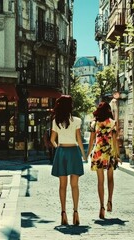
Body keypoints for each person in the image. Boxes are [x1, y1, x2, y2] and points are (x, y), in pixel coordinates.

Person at [50, 95, 86, 226]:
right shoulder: (77, 120)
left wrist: (58, 149)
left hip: (61, 151)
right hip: (74, 152)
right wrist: (84, 154)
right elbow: (79, 139)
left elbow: (52, 140)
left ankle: (63, 213)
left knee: (62, 186)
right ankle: (76, 212)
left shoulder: (56, 121)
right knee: (75, 185)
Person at [86, 101, 120, 219]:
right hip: (110, 153)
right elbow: (115, 141)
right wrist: (117, 155)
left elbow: (91, 141)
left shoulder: (94, 123)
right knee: (110, 179)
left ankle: (101, 207)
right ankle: (109, 201)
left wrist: (87, 153)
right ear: (109, 111)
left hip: (99, 153)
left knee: (100, 181)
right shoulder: (112, 123)